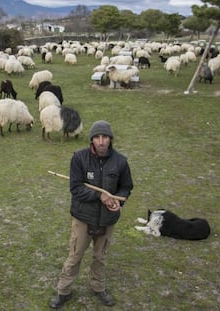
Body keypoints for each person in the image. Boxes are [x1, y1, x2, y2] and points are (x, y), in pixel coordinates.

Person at [49, 120, 134, 309]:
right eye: (97, 137)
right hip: (83, 219)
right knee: (75, 255)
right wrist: (99, 195)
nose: (101, 141)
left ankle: (98, 288)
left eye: (105, 137)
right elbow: (76, 188)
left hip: (107, 220)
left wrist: (118, 201)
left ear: (110, 140)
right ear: (92, 140)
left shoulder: (121, 162)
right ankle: (63, 291)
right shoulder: (79, 158)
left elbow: (126, 187)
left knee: (100, 257)